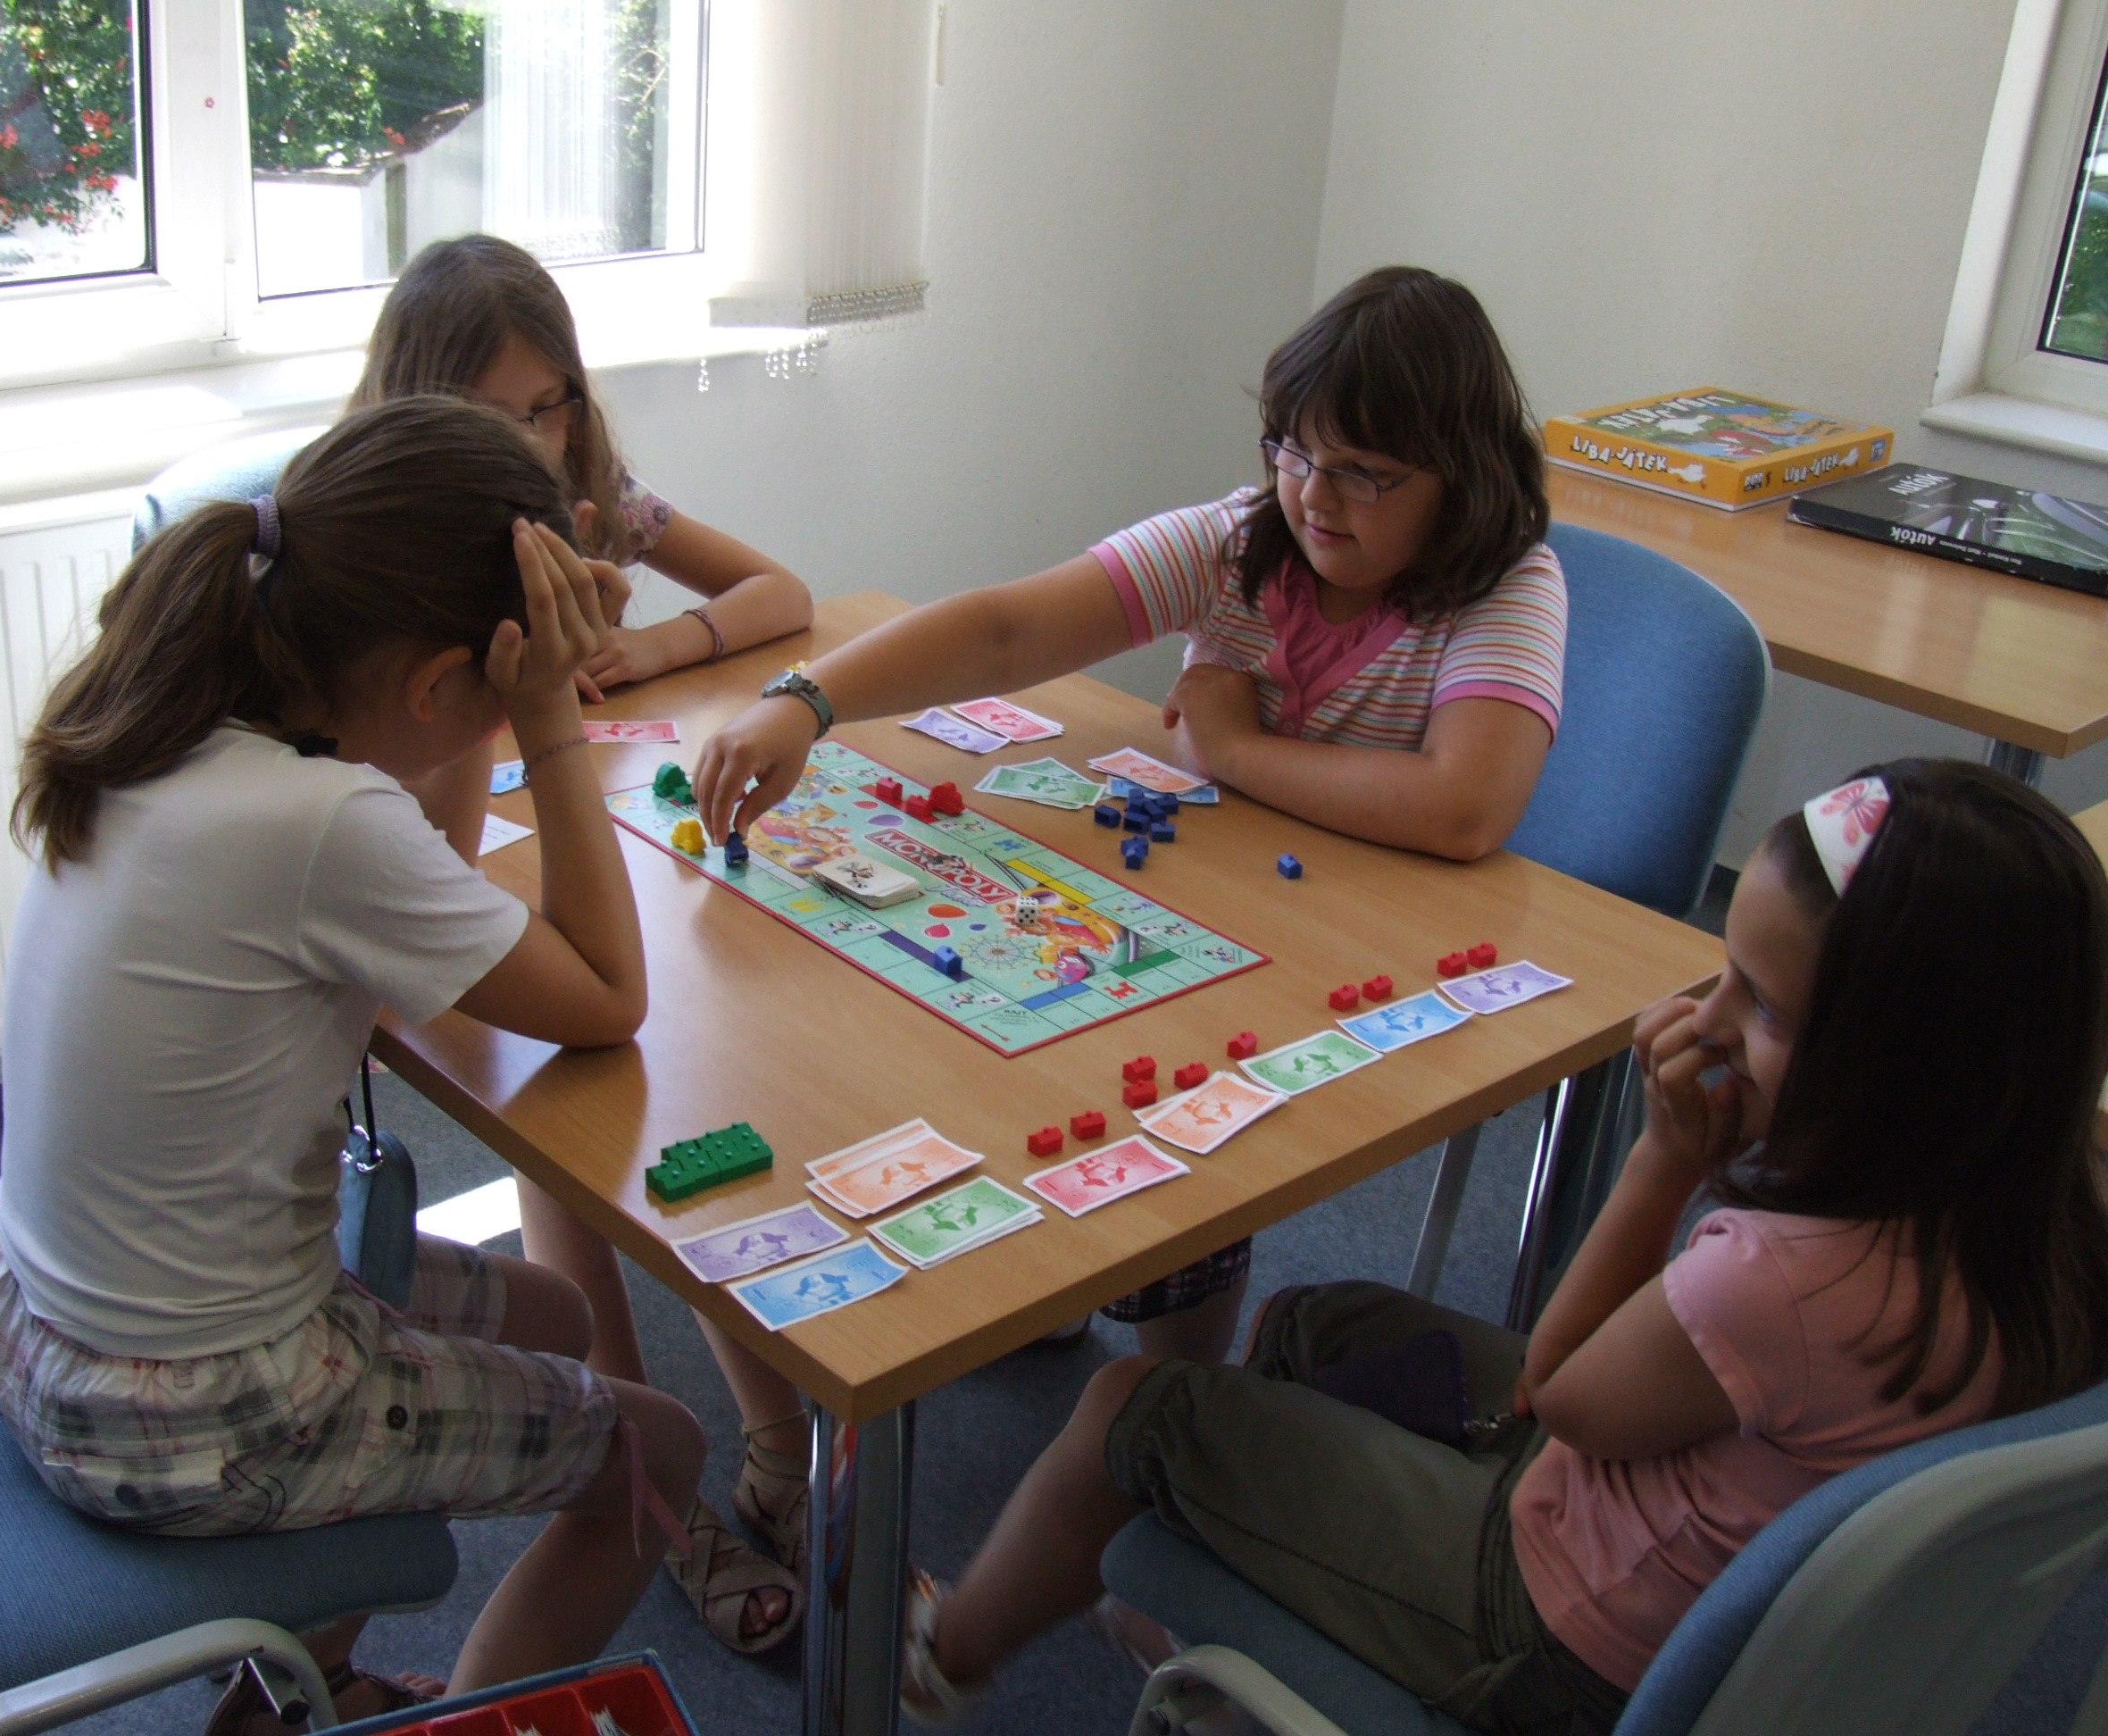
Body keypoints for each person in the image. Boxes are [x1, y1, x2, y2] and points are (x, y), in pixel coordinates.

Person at [897, 759, 2108, 1732]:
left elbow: (1556, 1393)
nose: (1707, 1019)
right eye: (1726, 972)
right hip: (1678, 1526)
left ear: (1915, 1074)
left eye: (1766, 1007)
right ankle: (1260, 1573)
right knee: (1315, 1324)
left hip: (1553, 1629)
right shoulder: (2039, 1198)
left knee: (1135, 1407)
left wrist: (1663, 1159)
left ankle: (944, 1656)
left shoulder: (1781, 1283)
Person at [0, 396, 709, 1734]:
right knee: (659, 1448)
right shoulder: (319, 824)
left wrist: (502, 688)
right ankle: (456, 1721)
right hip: (205, 1408)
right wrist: (548, 711)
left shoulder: (173, 716)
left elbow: (429, 870)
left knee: (550, 1315)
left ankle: (284, 1690)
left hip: (44, 1325)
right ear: (440, 688)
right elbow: (608, 997)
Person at [696, 264, 1563, 1365]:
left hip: (1371, 965)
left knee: (1194, 1145)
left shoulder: (1508, 585)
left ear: (1460, 472)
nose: (1313, 495)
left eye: (1362, 472)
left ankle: (1171, 1388)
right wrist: (805, 701)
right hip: (1217, 921)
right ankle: (1082, 1298)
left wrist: (1235, 751)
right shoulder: (1242, 541)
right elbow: (1007, 632)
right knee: (1051, 1034)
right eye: (1293, 450)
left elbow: (1464, 809)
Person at [352, 234, 816, 1650]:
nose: (529, 447)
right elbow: (426, 860)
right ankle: (647, 1467)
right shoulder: (381, 557)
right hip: (446, 890)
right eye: (490, 417)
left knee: (693, 1082)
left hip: (581, 842)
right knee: (578, 1086)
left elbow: (782, 594)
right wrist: (525, 703)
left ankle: (772, 1452)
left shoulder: (594, 498)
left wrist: (645, 653)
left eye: (546, 408)